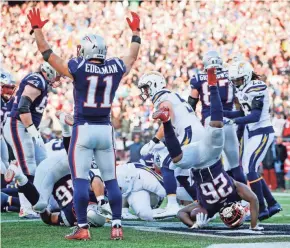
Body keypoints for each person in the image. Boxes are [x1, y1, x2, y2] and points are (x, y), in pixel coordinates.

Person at [27, 7, 141, 240]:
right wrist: (136, 33)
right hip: (105, 129)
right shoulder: (115, 67)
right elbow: (131, 57)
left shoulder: (78, 67)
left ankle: (82, 228)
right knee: (110, 179)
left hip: (83, 128)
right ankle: (117, 226)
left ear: (86, 50)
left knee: (79, 179)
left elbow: (46, 53)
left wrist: (37, 29)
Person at [152, 68, 263, 230]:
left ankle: (166, 121)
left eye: (230, 217)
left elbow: (181, 214)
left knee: (178, 160)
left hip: (198, 159)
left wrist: (195, 225)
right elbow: (253, 199)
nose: (230, 213)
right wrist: (253, 226)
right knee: (216, 125)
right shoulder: (225, 198)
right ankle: (212, 85)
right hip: (210, 155)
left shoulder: (209, 209)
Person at [138, 71, 205, 218]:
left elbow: (167, 121)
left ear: (154, 85)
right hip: (194, 131)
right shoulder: (170, 95)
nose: (145, 92)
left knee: (167, 163)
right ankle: (201, 203)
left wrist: (153, 142)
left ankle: (172, 205)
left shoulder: (163, 98)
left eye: (146, 88)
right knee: (181, 173)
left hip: (189, 133)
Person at [224, 60, 282, 220]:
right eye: (234, 80)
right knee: (250, 170)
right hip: (253, 133)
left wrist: (233, 121)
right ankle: (271, 203)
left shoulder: (258, 87)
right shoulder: (242, 90)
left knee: (250, 169)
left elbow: (255, 115)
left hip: (263, 132)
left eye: (239, 79)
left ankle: (261, 208)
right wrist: (223, 114)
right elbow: (242, 113)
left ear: (247, 76)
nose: (236, 83)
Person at [3, 62, 58, 218]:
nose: (59, 77)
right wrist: (33, 131)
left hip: (27, 127)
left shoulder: (42, 83)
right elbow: (23, 107)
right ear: (49, 71)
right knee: (28, 167)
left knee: (44, 164)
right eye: (57, 74)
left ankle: (41, 202)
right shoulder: (37, 79)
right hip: (19, 125)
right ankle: (26, 208)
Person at [189, 51, 246, 184]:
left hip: (211, 123)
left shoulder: (198, 78)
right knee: (235, 165)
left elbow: (191, 103)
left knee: (208, 164)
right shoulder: (231, 75)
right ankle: (245, 201)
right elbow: (239, 104)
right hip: (228, 121)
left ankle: (211, 197)